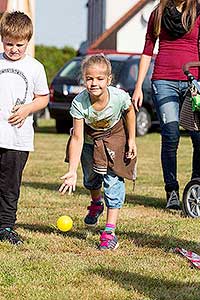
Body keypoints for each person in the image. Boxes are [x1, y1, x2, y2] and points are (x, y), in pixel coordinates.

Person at [59, 54, 137, 250]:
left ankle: (109, 232)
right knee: (91, 179)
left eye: (100, 79)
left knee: (113, 181)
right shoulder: (79, 102)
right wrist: (72, 170)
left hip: (114, 138)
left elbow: (129, 113)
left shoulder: (119, 97)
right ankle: (96, 203)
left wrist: (131, 140)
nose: (94, 83)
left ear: (109, 80)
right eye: (89, 78)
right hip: (89, 141)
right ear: (84, 79)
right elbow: (76, 137)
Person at [132, 0, 200, 210]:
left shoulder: (197, 12)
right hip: (164, 80)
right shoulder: (158, 14)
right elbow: (147, 51)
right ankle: (171, 190)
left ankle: (196, 186)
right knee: (171, 135)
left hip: (193, 82)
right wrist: (137, 87)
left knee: (198, 136)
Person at [0, 11, 49, 244]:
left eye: (19, 44)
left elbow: (43, 98)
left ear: (28, 41)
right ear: (2, 40)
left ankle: (6, 226)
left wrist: (27, 109)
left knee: (10, 185)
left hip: (17, 138)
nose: (14, 49)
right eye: (9, 44)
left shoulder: (35, 67)